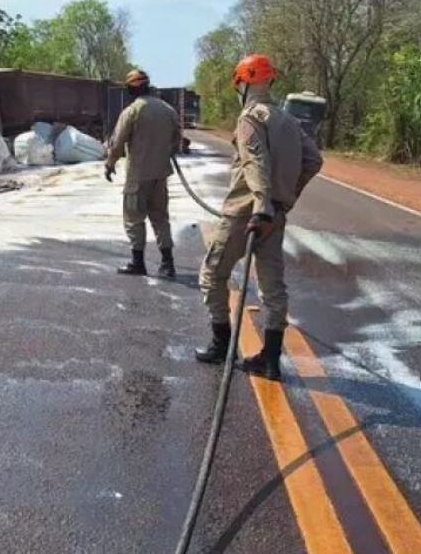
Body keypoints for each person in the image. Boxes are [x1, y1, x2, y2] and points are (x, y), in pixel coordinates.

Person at [196, 54, 323, 380]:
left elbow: (255, 161)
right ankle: (269, 358)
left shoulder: (250, 118)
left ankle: (220, 345)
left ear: (243, 82)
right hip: (274, 215)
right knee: (272, 286)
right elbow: (314, 161)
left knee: (213, 273)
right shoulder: (288, 120)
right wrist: (285, 199)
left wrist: (262, 203)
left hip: (246, 213)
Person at [104, 69, 184, 278]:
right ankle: (168, 263)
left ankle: (137, 262)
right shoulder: (168, 110)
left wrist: (110, 164)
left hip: (138, 175)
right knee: (160, 218)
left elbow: (117, 143)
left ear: (131, 88)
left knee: (134, 218)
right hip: (160, 175)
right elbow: (177, 139)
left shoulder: (133, 111)